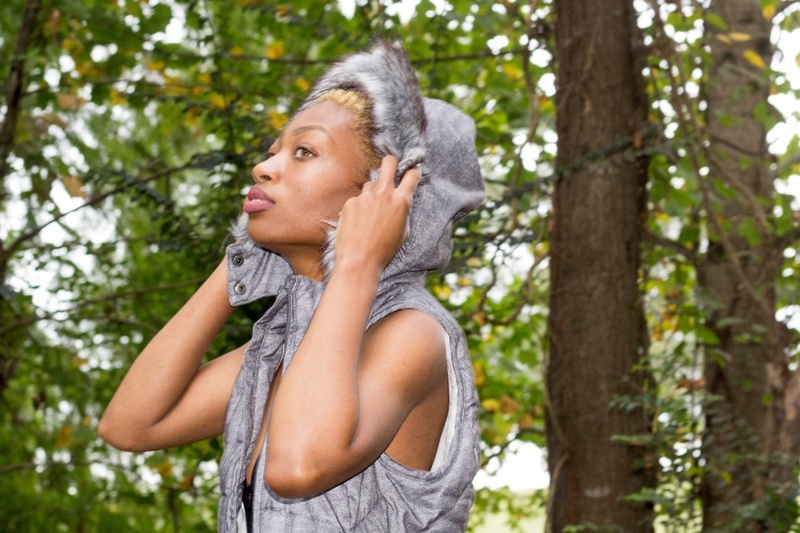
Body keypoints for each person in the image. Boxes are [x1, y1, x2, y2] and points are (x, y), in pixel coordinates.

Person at [98, 40, 484, 532]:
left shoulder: (412, 333)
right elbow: (130, 425)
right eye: (273, 150)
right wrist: (240, 256)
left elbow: (297, 466)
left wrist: (358, 261)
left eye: (305, 151)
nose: (264, 168)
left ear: (382, 194)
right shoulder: (281, 348)